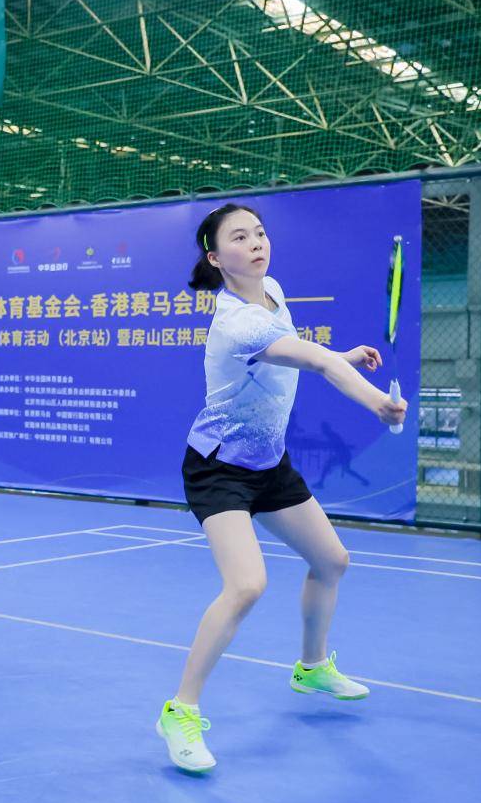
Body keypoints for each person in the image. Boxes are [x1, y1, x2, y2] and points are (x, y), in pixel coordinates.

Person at [155, 204, 406, 772]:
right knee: (246, 585)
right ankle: (180, 711)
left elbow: (297, 353)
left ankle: (311, 668)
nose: (256, 243)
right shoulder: (236, 322)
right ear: (216, 258)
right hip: (218, 468)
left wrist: (340, 356)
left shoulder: (271, 291)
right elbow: (313, 362)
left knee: (332, 561)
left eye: (260, 233)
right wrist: (378, 403)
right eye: (240, 238)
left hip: (268, 463)